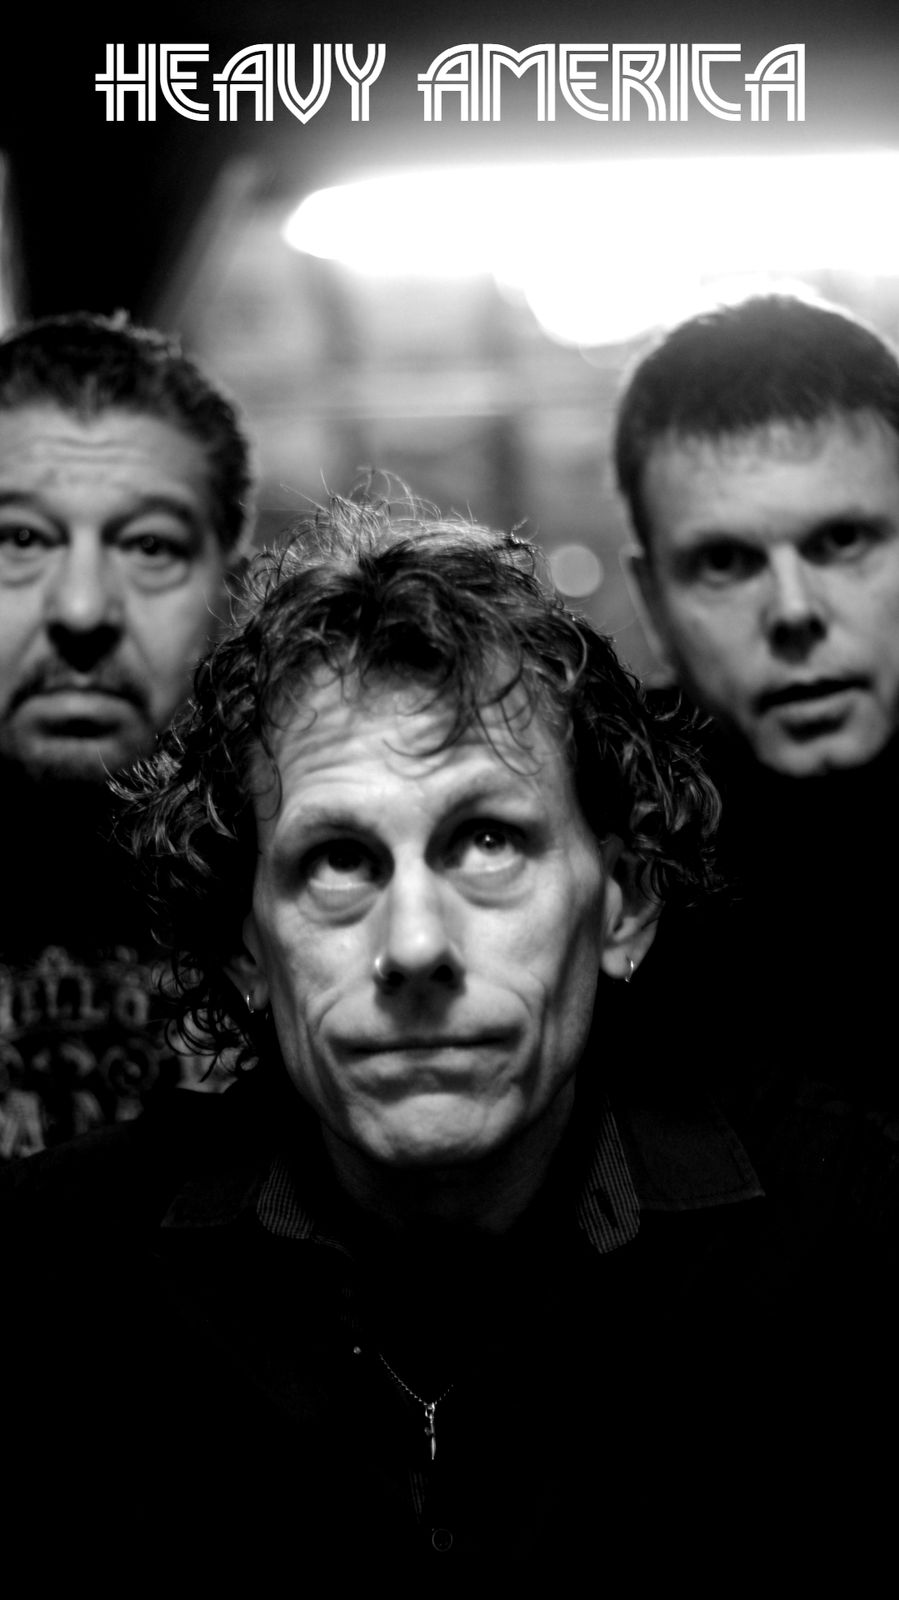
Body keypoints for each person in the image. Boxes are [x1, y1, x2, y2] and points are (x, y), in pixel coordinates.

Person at [3, 495, 771, 1580]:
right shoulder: (48, 1284)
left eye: (487, 839)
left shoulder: (848, 1248)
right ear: (245, 948)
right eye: (338, 860)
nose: (414, 946)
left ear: (622, 905)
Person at [612, 293, 899, 1343]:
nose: (791, 612)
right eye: (724, 563)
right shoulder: (601, 856)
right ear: (652, 601)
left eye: (842, 540)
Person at [0, 310, 255, 1157]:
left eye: (149, 545)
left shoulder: (323, 880)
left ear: (231, 588)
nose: (82, 610)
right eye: (20, 538)